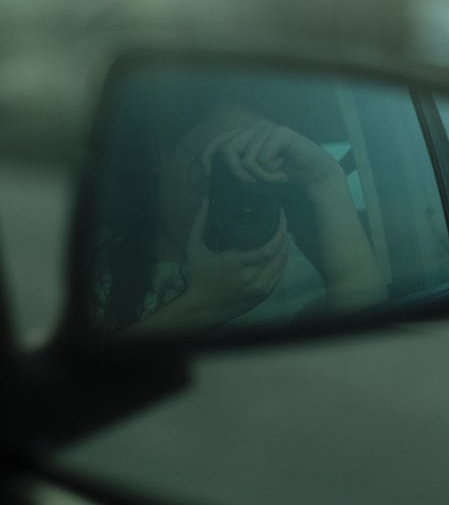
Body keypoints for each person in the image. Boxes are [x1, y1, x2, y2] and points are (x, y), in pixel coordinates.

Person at [91, 105, 387, 334]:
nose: (236, 192)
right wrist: (203, 304)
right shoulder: (96, 267)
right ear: (161, 152)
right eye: (219, 168)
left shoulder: (278, 266)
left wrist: (326, 178)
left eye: (253, 174)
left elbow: (365, 340)